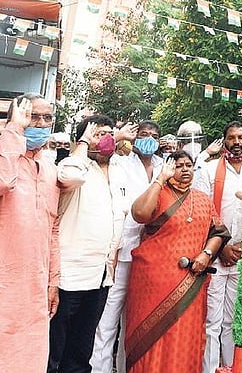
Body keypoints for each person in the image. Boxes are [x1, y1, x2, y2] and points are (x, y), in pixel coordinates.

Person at [125, 151, 230, 373]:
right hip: (153, 283)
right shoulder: (159, 193)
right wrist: (159, 179)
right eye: (178, 165)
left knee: (185, 335)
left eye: (188, 165)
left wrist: (206, 254)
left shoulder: (202, 199)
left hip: (190, 282)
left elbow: (219, 232)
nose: (184, 170)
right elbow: (140, 214)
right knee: (150, 338)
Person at [48, 115, 128, 372]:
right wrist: (83, 143)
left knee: (81, 352)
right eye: (97, 133)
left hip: (101, 277)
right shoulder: (73, 165)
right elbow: (70, 176)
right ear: (83, 140)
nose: (105, 139)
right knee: (54, 352)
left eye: (109, 133)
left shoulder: (118, 171)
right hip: (68, 277)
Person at [90, 120, 163, 373]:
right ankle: (99, 368)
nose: (149, 139)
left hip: (151, 256)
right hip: (122, 252)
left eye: (154, 136)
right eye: (144, 134)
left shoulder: (164, 167)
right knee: (108, 320)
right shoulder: (121, 162)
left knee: (135, 322)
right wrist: (119, 136)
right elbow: (99, 151)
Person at [0, 94, 60, 373]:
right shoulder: (5, 155)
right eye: (31, 116)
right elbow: (2, 182)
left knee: (32, 360)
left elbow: (53, 228)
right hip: (5, 284)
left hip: (35, 287)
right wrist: (13, 130)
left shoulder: (50, 167)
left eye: (47, 118)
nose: (40, 123)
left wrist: (53, 282)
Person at [195, 121, 242, 372]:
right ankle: (209, 369)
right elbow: (202, 212)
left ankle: (231, 368)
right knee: (212, 321)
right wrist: (222, 247)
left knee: (233, 321)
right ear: (224, 140)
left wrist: (240, 249)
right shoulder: (208, 170)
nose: (236, 142)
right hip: (216, 255)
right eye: (231, 137)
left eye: (240, 137)